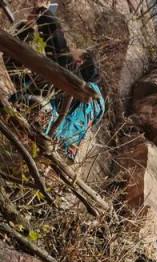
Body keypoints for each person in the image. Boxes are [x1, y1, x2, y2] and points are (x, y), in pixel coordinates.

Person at [5, 3, 105, 159]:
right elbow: (16, 67)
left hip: (42, 127)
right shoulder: (84, 109)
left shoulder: (79, 88)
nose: (70, 51)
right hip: (52, 148)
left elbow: (58, 47)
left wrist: (43, 11)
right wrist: (28, 26)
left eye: (73, 52)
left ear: (79, 62)